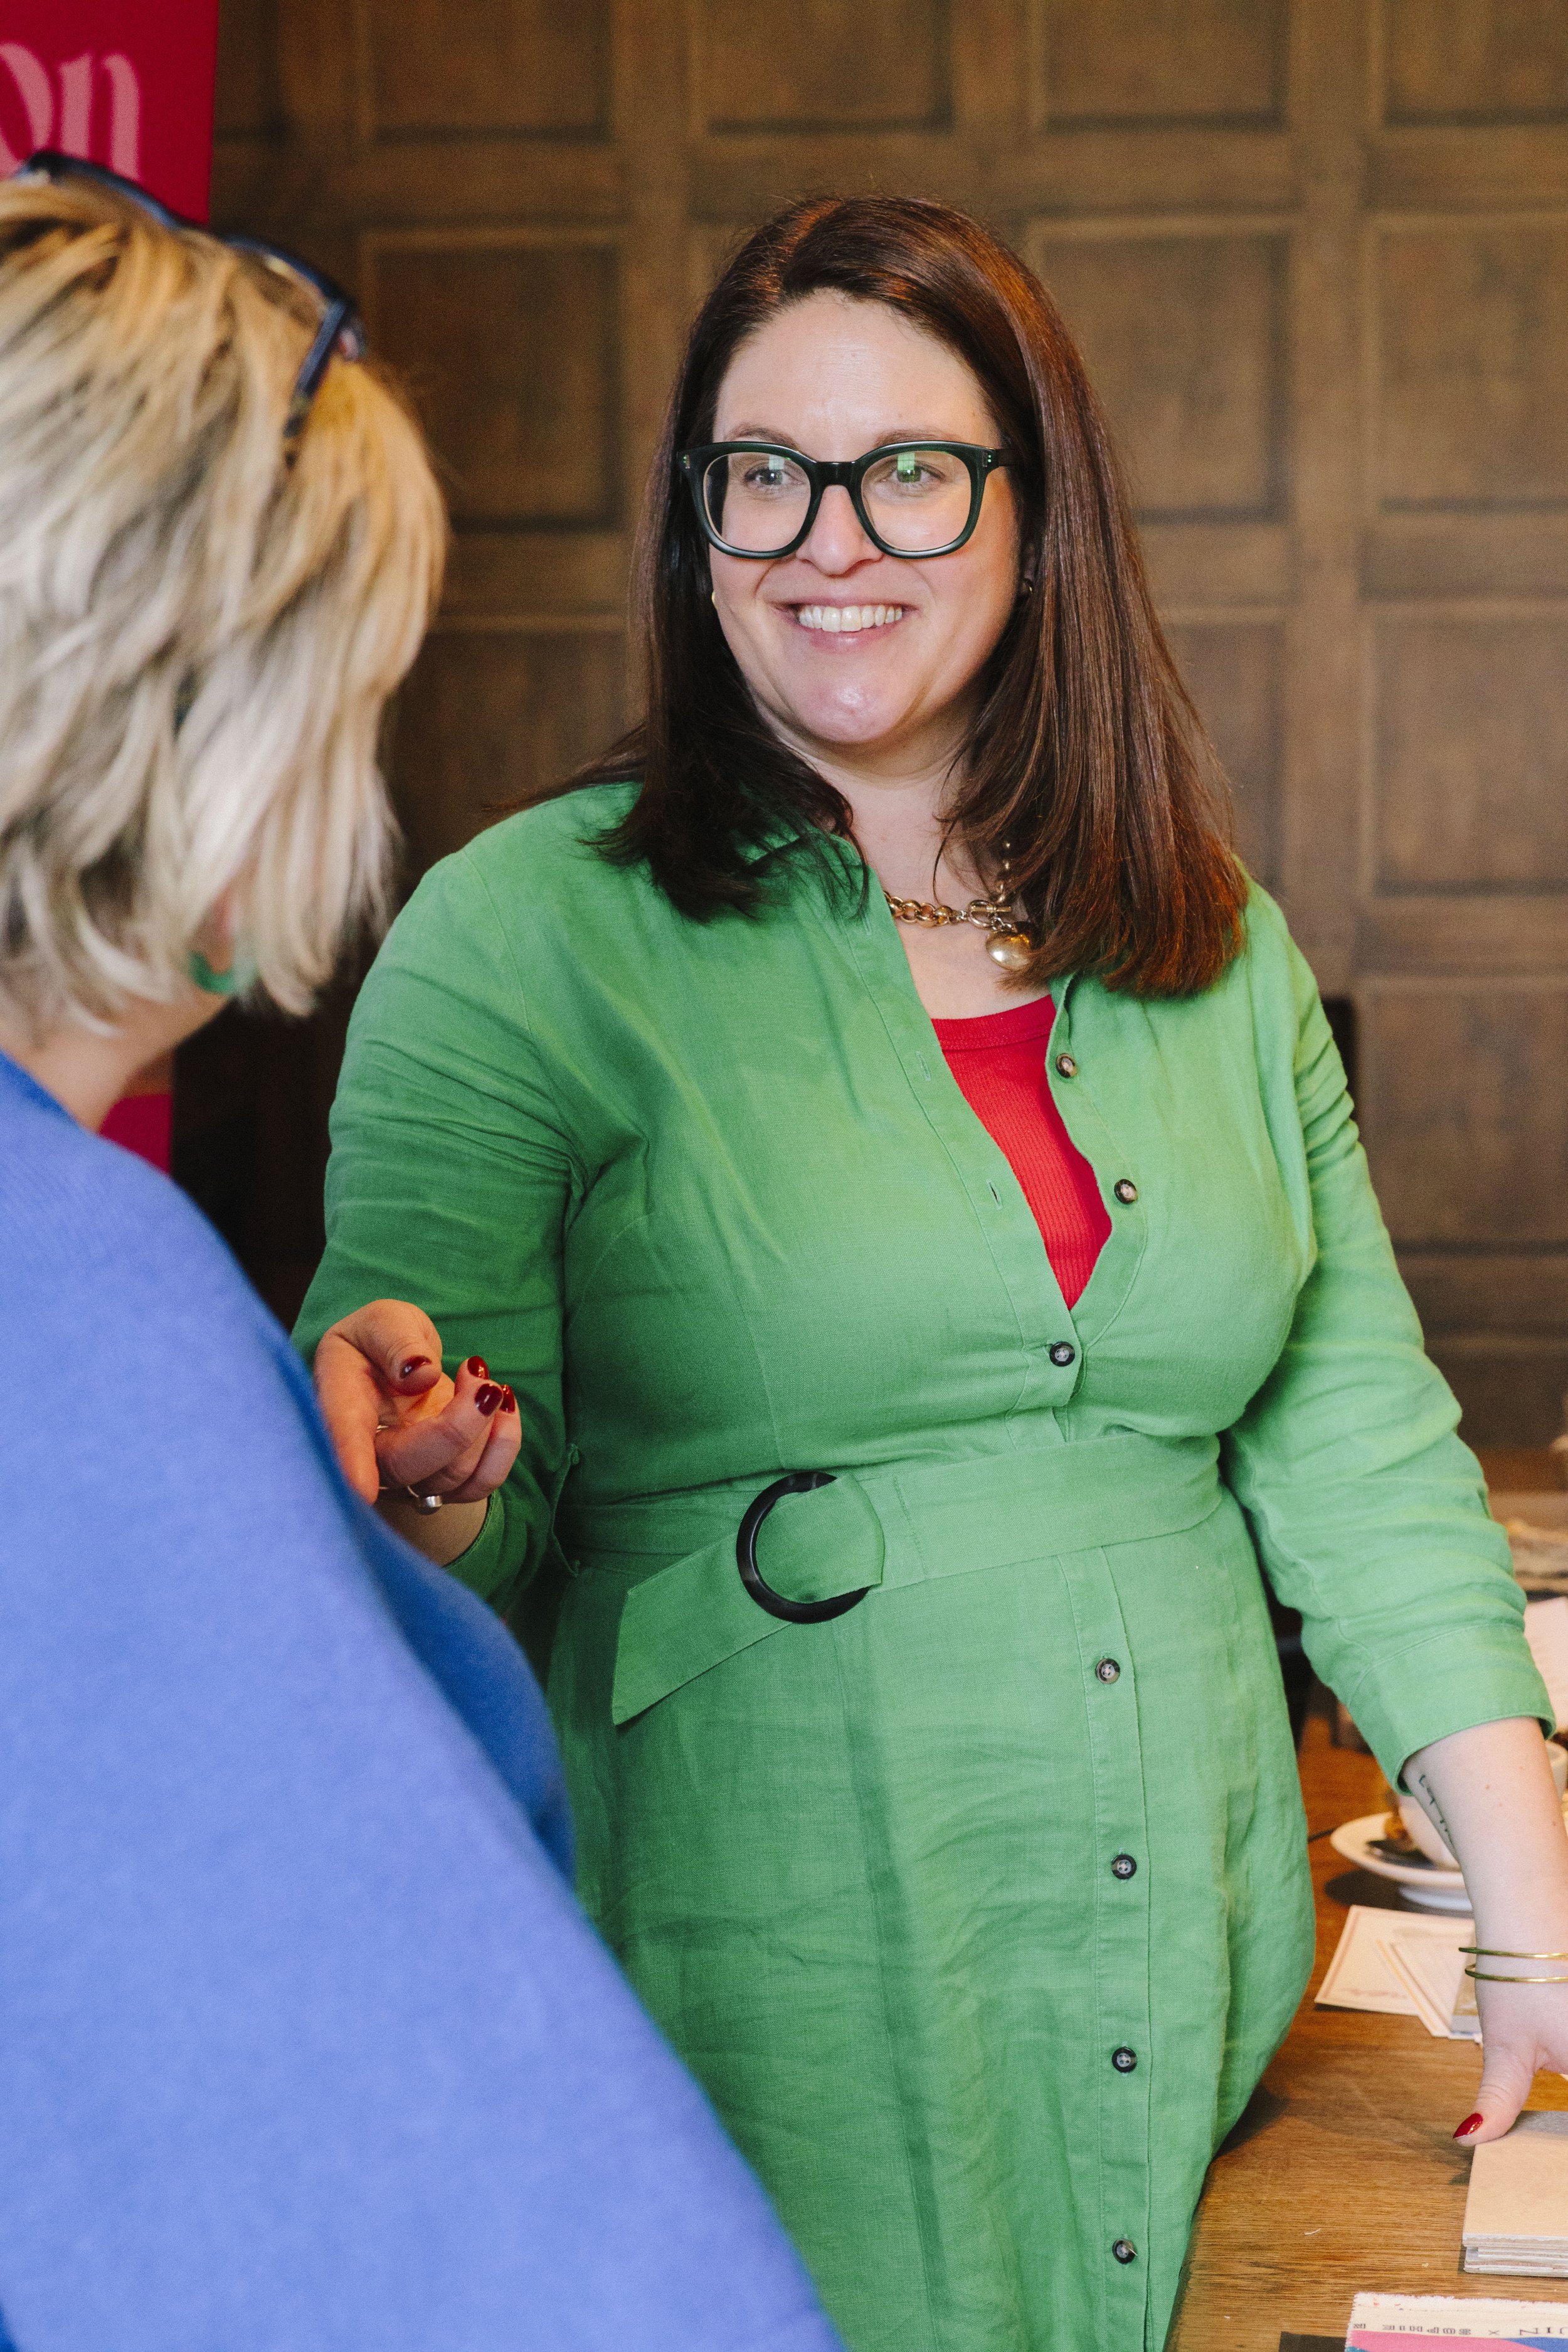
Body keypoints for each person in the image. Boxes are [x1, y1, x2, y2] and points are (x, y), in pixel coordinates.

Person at [297, 196, 1568, 2352]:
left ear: (1029, 507)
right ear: (696, 529)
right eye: (759, 474)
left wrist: (1527, 1922)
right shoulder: (515, 937)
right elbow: (427, 1488)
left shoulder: (1212, 939)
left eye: (908, 469)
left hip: (1190, 1952)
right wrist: (421, 1471)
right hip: (755, 1978)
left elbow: (1359, 1448)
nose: (828, 537)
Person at [0, 159, 844, 2352]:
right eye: (359, 686)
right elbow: (559, 2266)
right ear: (188, 709)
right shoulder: (72, 1296)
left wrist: (275, 1491)